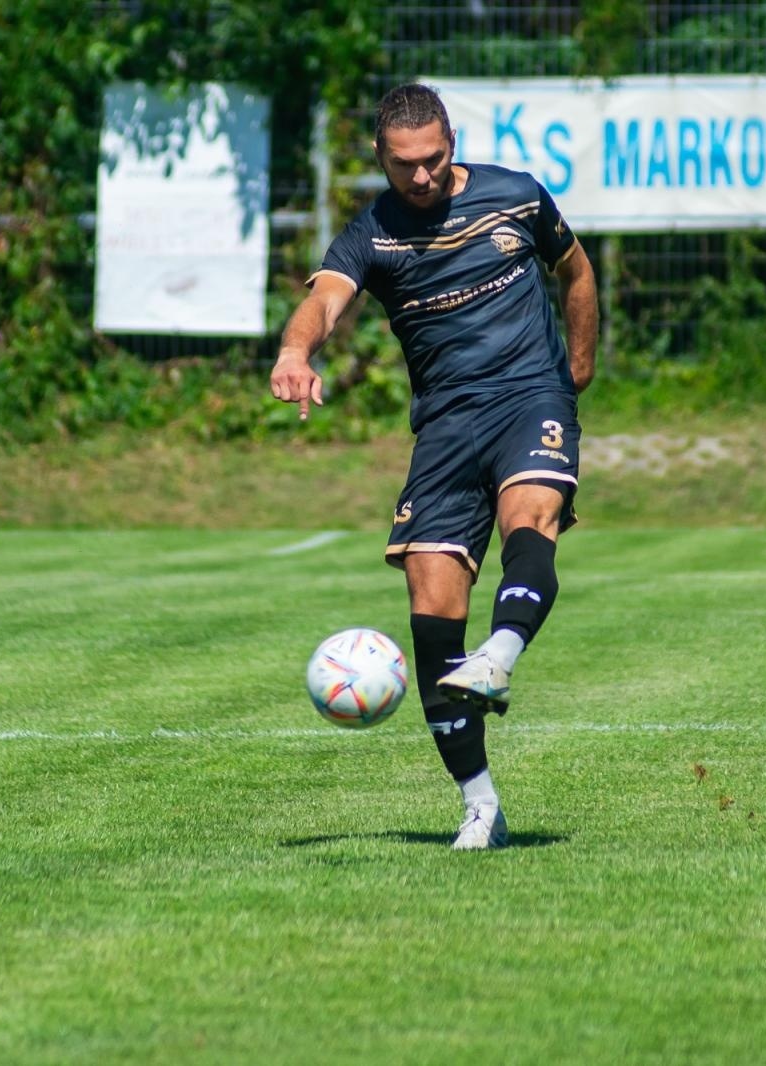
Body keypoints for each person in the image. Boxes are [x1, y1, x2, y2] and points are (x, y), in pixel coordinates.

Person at [270, 83, 599, 850]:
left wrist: (577, 366)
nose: (420, 178)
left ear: (452, 140)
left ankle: (502, 655)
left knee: (532, 517)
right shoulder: (373, 235)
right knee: (432, 609)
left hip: (530, 395)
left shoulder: (515, 197)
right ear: (380, 158)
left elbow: (575, 270)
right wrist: (295, 350)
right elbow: (324, 299)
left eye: (433, 160)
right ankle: (480, 805)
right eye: (402, 165)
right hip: (447, 427)